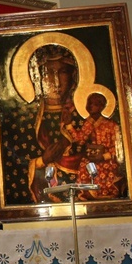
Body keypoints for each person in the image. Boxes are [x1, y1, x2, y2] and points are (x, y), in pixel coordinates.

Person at [25, 45, 85, 203]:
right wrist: (42, 161)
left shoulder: (83, 116)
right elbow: (12, 163)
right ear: (37, 78)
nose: (56, 81)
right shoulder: (25, 120)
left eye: (63, 72)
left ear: (73, 76)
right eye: (49, 73)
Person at [64, 92, 124, 200]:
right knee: (84, 166)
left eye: (94, 104)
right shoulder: (88, 123)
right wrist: (69, 124)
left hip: (106, 159)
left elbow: (118, 148)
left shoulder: (112, 125)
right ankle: (86, 195)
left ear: (101, 107)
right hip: (91, 158)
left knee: (104, 171)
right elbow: (80, 140)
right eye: (89, 103)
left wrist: (104, 156)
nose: (90, 106)